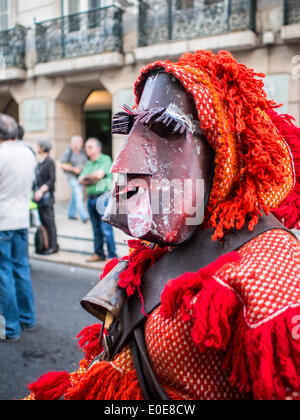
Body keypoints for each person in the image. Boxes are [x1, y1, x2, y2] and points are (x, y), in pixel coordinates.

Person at [26, 51, 300, 400]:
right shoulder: (161, 247)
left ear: (223, 148)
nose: (124, 163)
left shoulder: (273, 264)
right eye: (133, 130)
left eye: (166, 131)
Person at [0, 114, 36, 342]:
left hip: (2, 221)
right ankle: (28, 318)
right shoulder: (28, 153)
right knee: (21, 270)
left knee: (4, 275)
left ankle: (11, 328)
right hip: (21, 218)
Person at [79, 138, 117, 263]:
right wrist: (92, 178)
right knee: (95, 228)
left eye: (89, 147)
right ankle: (98, 253)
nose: (86, 149)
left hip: (103, 198)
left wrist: (89, 178)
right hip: (90, 199)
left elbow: (98, 175)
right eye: (86, 147)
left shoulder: (105, 159)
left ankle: (112, 256)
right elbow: (80, 179)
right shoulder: (88, 163)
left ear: (98, 148)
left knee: (106, 229)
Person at [34, 140, 59, 256]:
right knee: (43, 221)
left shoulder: (49, 162)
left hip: (46, 197)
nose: (37, 147)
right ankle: (46, 244)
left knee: (49, 221)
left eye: (38, 146)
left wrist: (41, 190)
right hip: (39, 197)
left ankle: (53, 246)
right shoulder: (39, 161)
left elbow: (51, 180)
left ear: (43, 147)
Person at [60, 135, 89, 223]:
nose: (81, 144)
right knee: (78, 195)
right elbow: (62, 165)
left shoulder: (82, 152)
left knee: (75, 196)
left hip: (80, 177)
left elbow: (86, 163)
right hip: (71, 177)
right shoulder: (68, 152)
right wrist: (74, 169)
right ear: (74, 143)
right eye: (80, 142)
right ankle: (84, 216)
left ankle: (71, 214)